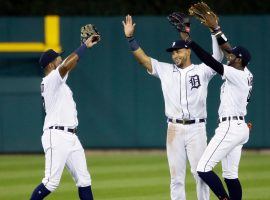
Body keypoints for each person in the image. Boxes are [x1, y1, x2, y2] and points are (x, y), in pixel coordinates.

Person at [122, 14, 224, 200]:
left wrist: (213, 30)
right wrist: (130, 38)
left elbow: (218, 56)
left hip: (197, 129)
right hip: (174, 129)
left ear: (188, 51)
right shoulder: (165, 70)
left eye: (178, 51)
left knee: (200, 174)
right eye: (173, 52)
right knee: (176, 178)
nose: (175, 54)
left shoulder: (203, 70)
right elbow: (143, 59)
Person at [180, 30, 253, 200]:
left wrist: (190, 42)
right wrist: (216, 30)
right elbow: (227, 48)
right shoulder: (246, 72)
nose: (229, 56)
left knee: (203, 168)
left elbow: (210, 61)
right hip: (239, 127)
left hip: (230, 128)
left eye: (233, 56)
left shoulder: (237, 74)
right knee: (230, 175)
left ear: (240, 60)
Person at [30, 34, 100, 200]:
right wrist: (83, 47)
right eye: (57, 57)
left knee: (84, 180)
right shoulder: (50, 80)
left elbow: (70, 63)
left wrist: (82, 45)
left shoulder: (58, 81)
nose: (60, 58)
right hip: (57, 136)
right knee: (50, 182)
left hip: (71, 137)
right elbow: (67, 65)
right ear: (50, 64)